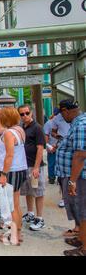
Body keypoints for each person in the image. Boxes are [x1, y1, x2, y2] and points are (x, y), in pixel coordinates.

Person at [53, 99, 86, 256]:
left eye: (62, 113)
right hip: (74, 175)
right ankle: (81, 238)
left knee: (82, 211)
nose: (62, 117)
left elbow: (80, 155)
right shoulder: (78, 123)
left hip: (79, 177)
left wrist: (72, 180)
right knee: (78, 209)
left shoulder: (80, 125)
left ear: (66, 111)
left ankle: (84, 248)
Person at [0, 107, 28, 246]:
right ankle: (18, 234)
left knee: (11, 206)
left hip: (10, 171)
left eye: (1, 116)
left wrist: (3, 174)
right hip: (19, 170)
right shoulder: (19, 130)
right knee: (16, 204)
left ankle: (12, 237)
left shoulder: (8, 133)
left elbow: (9, 155)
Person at [18, 105, 47, 231]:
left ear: (32, 113)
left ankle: (40, 218)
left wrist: (36, 167)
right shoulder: (22, 127)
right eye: (22, 114)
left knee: (38, 191)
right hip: (24, 165)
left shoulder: (37, 128)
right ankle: (30, 213)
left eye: (27, 113)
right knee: (28, 191)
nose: (25, 116)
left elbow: (40, 148)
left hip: (34, 166)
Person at [44, 108, 61, 185]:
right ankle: (54, 177)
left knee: (51, 163)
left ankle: (52, 178)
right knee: (54, 162)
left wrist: (48, 145)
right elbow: (46, 135)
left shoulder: (48, 122)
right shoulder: (51, 122)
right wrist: (48, 146)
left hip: (52, 146)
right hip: (55, 146)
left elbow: (46, 135)